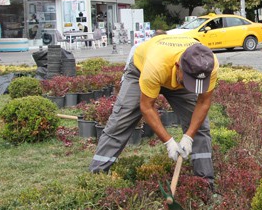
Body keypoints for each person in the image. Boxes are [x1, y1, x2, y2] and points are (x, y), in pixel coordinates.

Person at [90, 35, 219, 189]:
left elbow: (203, 102)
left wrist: (189, 137)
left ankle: (204, 184)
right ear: (178, 67)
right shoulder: (156, 64)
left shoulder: (209, 65)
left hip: (175, 74)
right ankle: (95, 178)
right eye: (189, 81)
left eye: (197, 83)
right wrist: (169, 142)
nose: (192, 87)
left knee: (200, 128)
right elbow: (147, 107)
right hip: (141, 70)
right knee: (120, 121)